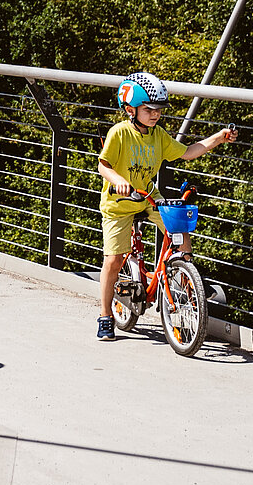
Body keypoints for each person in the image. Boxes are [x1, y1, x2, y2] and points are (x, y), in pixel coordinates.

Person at [96, 72, 238, 342]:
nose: (155, 114)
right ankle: (104, 316)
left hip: (148, 196)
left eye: (158, 109)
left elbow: (187, 152)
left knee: (180, 230)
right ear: (130, 109)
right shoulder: (119, 133)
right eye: (148, 109)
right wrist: (120, 181)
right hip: (118, 202)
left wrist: (218, 138)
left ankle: (186, 283)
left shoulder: (158, 135)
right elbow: (104, 165)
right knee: (113, 260)